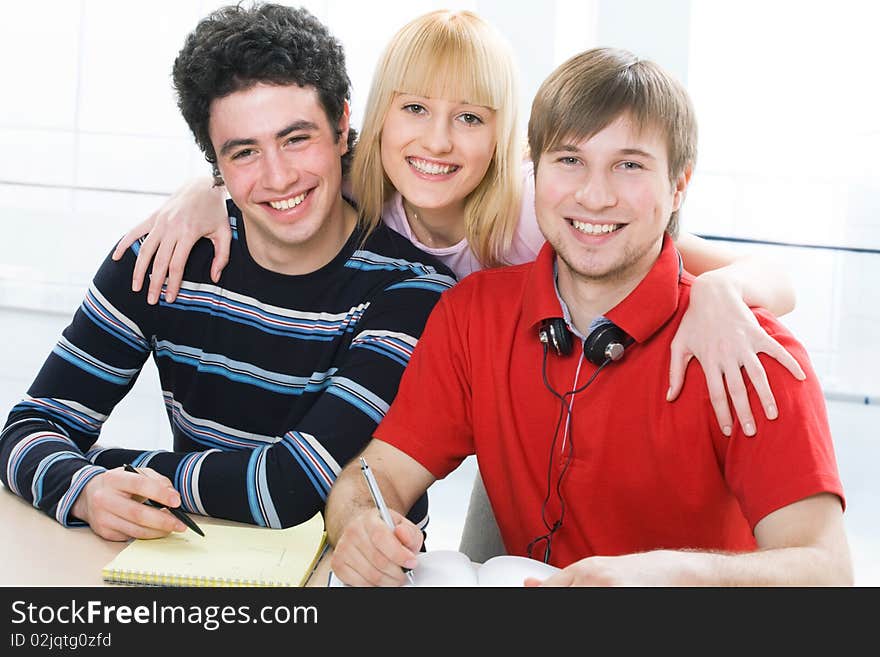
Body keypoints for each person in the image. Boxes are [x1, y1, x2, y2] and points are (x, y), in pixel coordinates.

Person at [113, 10, 804, 439]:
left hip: (549, 407)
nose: (437, 142)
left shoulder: (539, 208)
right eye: (414, 109)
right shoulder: (357, 177)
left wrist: (718, 292)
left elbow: (769, 279)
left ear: (506, 138)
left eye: (470, 118)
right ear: (377, 116)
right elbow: (268, 167)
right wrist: (200, 190)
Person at [323, 47, 852, 586]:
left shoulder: (749, 348)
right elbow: (376, 475)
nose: (594, 196)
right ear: (535, 170)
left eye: (629, 165)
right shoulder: (469, 312)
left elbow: (828, 573)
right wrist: (361, 522)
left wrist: (665, 577)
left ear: (679, 186)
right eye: (570, 160)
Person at [0, 3, 453, 541]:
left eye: (296, 138)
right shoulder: (164, 258)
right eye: (244, 152)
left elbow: (291, 487)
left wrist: (105, 465)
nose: (279, 177)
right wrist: (86, 491)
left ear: (342, 126)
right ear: (214, 164)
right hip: (201, 569)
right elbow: (29, 430)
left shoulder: (412, 290)